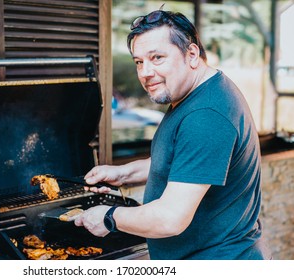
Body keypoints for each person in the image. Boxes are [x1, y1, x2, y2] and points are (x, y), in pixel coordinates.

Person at [74, 6, 271, 260]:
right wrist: (123, 173)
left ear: (191, 54)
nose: (145, 72)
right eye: (139, 62)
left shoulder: (206, 115)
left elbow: (170, 218)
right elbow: (183, 163)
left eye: (157, 58)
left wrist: (109, 217)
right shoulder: (194, 95)